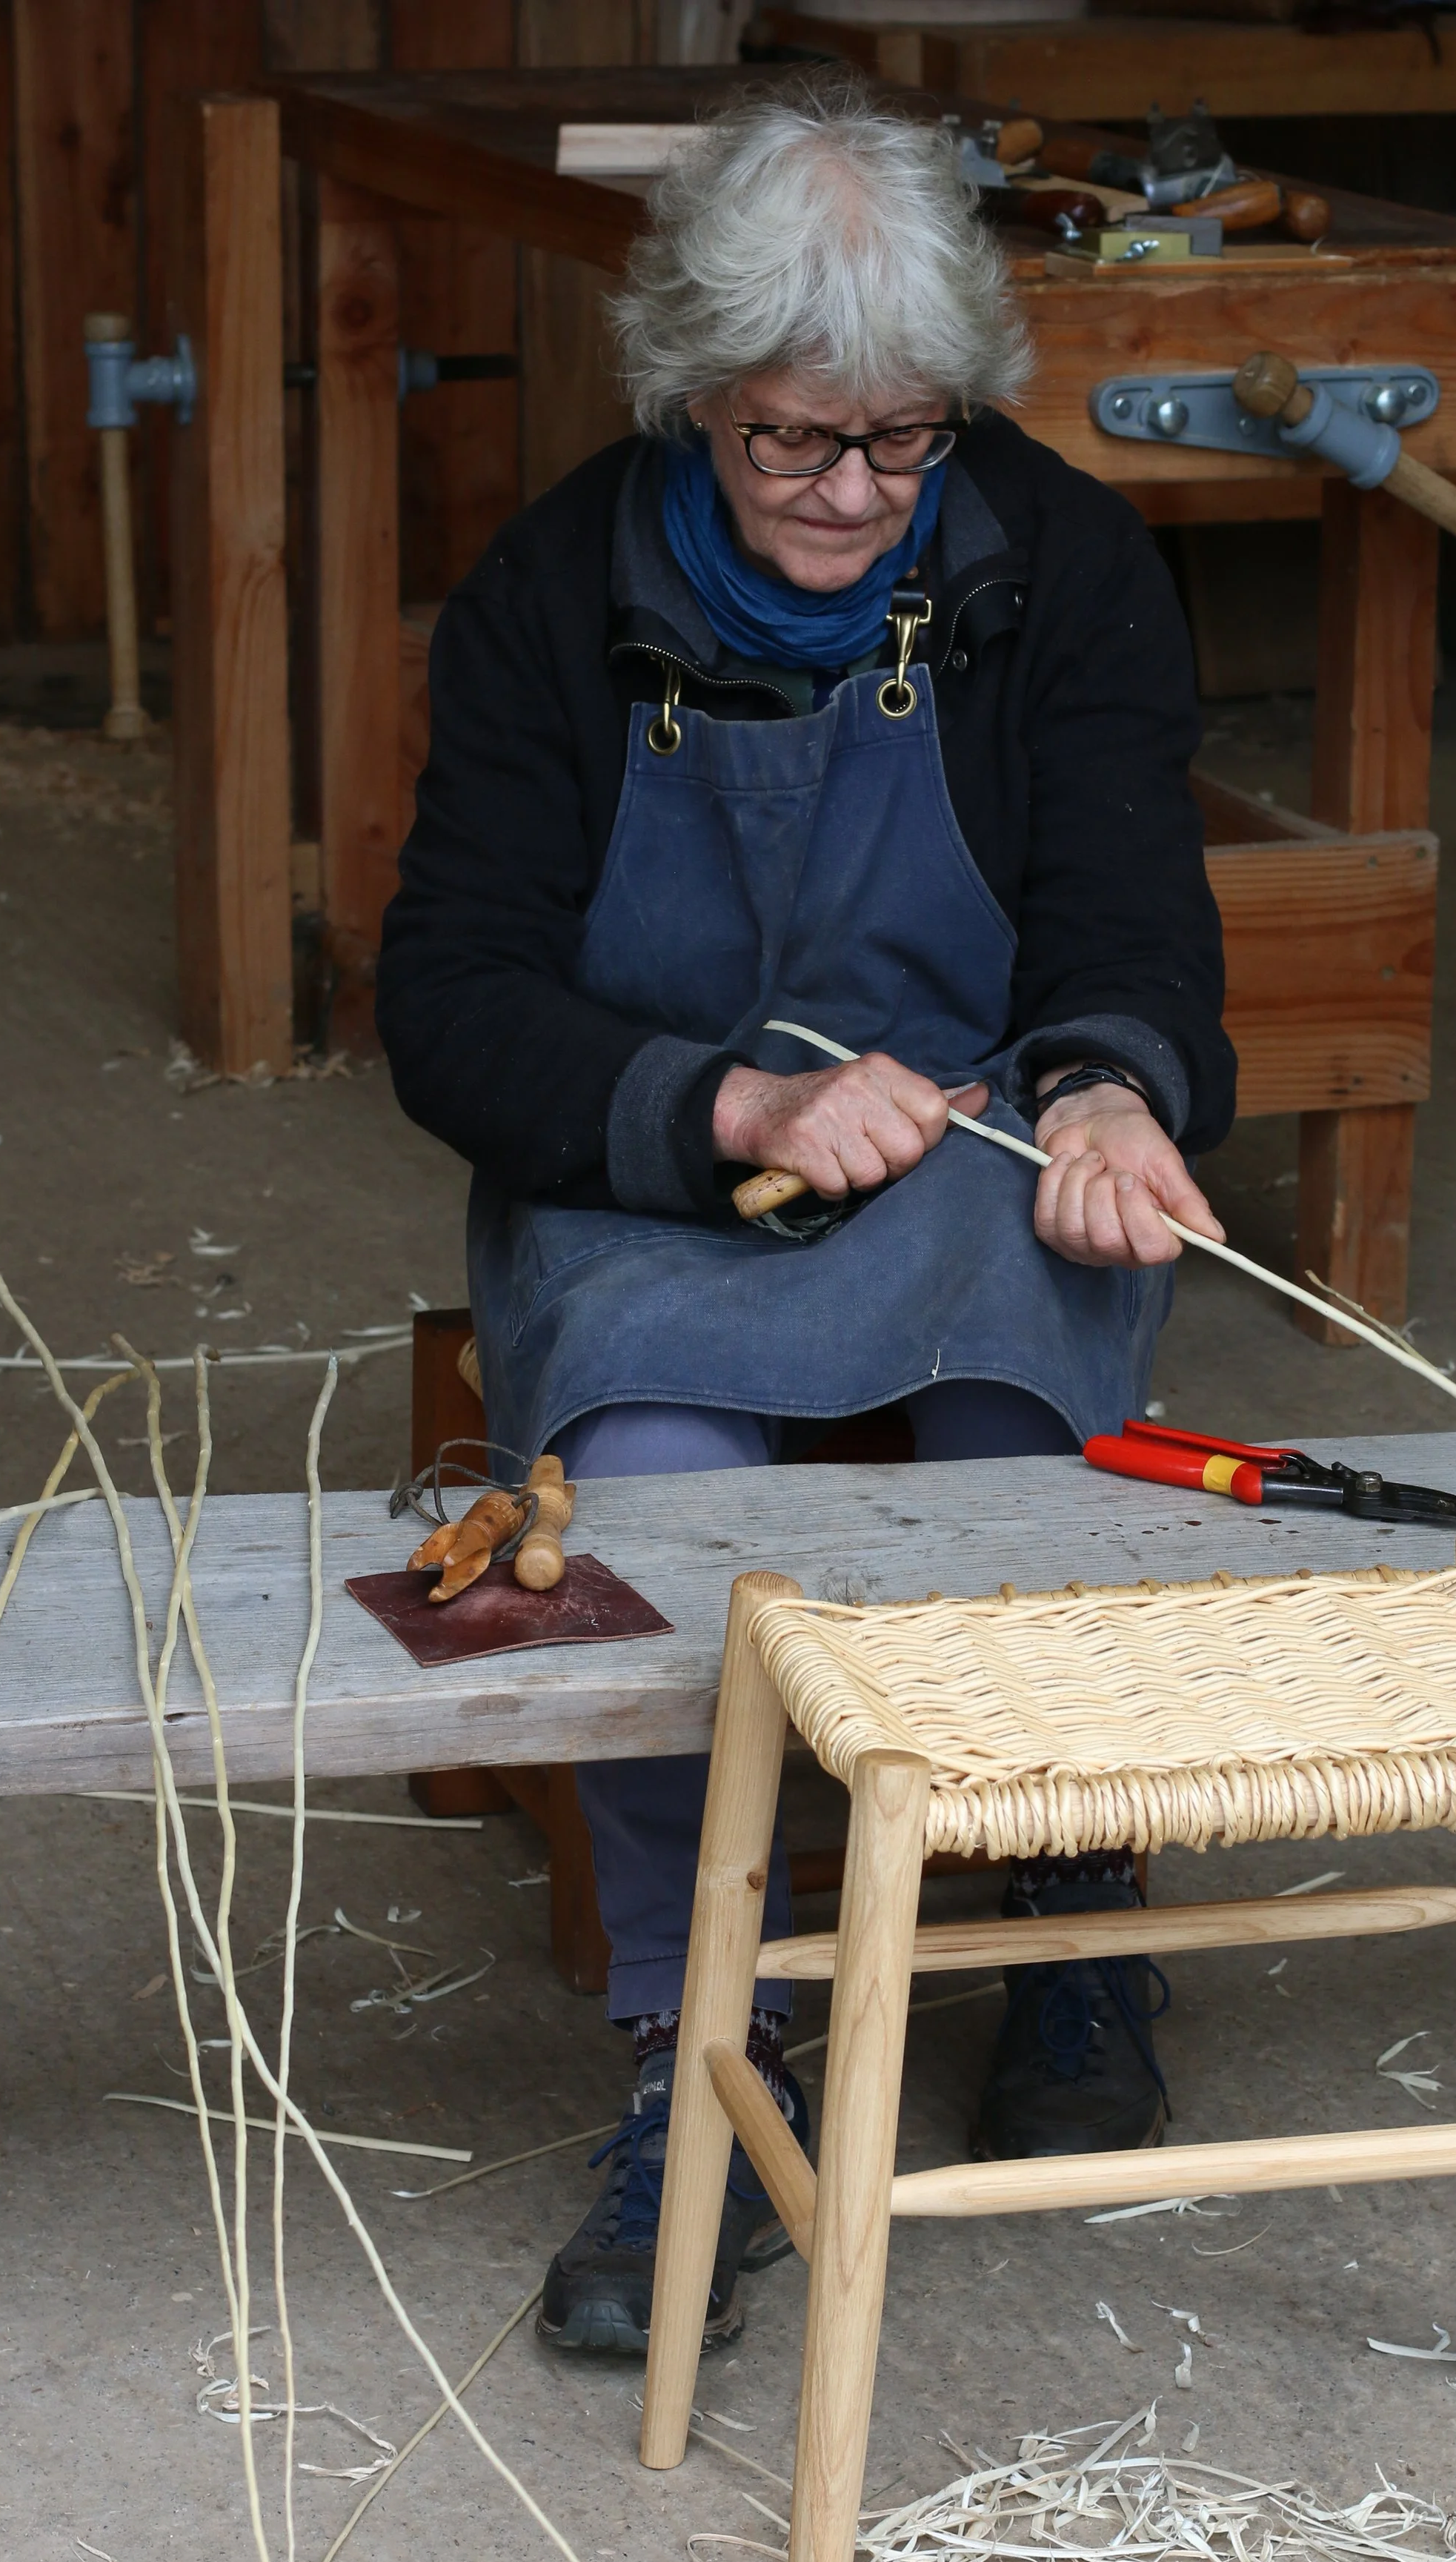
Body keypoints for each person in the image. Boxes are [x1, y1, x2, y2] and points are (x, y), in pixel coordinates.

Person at [378, 77, 1236, 2359]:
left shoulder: (1056, 563)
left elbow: (1130, 914)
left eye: (902, 441)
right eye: (789, 444)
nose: (852, 491)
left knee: (1012, 1457)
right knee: (656, 1511)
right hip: (651, 1172)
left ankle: (1061, 1925)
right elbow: (447, 1004)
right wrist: (730, 1094)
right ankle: (706, 2046)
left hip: (966, 1160)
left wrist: (1106, 1091)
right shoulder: (557, 592)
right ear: (689, 395)